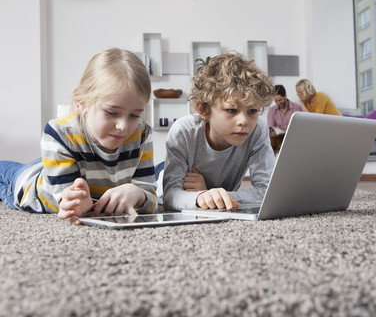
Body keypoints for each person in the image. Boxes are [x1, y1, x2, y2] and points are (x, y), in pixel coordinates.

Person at [0, 48, 158, 224]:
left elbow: (151, 197)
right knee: (5, 171)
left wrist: (137, 194)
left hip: (62, 164)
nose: (123, 126)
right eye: (112, 112)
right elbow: (67, 204)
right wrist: (78, 204)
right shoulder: (58, 132)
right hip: (31, 184)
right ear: (81, 103)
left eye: (135, 115)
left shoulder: (142, 133)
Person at [161, 52, 275, 211]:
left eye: (253, 110)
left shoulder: (257, 130)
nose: (244, 121)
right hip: (169, 173)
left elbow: (268, 192)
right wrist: (202, 197)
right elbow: (170, 196)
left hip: (203, 189)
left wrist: (207, 193)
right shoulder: (183, 131)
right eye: (231, 110)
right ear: (203, 108)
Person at [267, 84, 304, 151]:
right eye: (276, 101)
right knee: (269, 140)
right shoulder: (272, 110)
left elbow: (300, 128)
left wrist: (285, 130)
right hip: (277, 138)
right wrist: (272, 131)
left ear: (285, 96)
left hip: (292, 137)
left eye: (280, 100)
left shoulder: (297, 108)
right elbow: (270, 127)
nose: (278, 103)